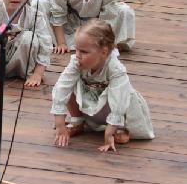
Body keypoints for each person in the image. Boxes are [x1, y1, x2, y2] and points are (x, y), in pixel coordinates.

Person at [52, 19, 154, 152]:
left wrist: (109, 132)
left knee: (121, 94)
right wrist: (60, 124)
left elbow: (119, 100)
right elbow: (62, 87)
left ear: (104, 52)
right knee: (68, 84)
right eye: (76, 49)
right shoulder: (76, 62)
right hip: (91, 105)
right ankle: (78, 121)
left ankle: (120, 127)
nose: (77, 55)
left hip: (113, 108)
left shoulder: (115, 68)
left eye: (84, 51)